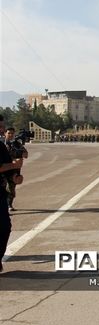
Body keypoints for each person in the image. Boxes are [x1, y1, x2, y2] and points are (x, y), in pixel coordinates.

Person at [0, 115, 24, 272]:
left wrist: (15, 176)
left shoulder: (1, 147)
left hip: (0, 192)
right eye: (0, 127)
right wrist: (12, 165)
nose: (2, 129)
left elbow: (8, 167)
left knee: (5, 227)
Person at [4, 128, 28, 211]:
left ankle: (9, 205)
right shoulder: (1, 144)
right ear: (5, 134)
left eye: (12, 133)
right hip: (3, 168)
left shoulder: (17, 144)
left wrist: (20, 153)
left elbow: (26, 154)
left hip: (14, 170)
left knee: (11, 189)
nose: (10, 135)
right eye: (9, 133)